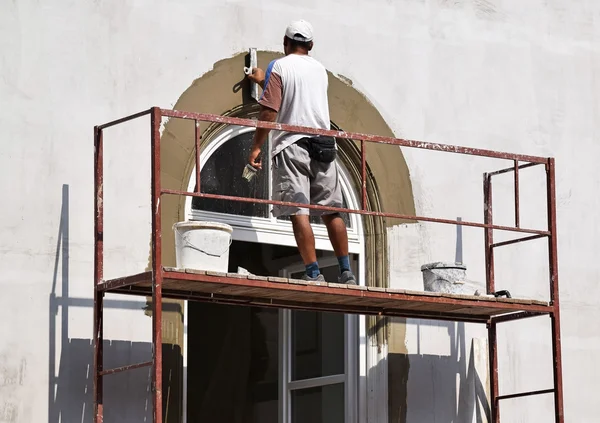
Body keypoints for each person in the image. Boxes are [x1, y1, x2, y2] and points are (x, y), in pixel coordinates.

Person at [246, 20, 356, 284]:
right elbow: (301, 97)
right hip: (324, 144)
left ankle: (313, 273)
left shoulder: (280, 66)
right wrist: (266, 82)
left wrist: (257, 147)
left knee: (299, 210)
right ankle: (346, 272)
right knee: (332, 211)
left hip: (293, 144)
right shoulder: (320, 71)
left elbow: (270, 110)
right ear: (311, 45)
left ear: (285, 43)